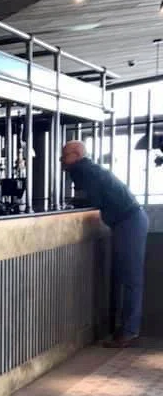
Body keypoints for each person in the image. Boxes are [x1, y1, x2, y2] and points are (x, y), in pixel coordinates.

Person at [61, 140, 148, 347]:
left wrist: (70, 203)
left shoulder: (83, 170)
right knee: (128, 276)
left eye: (64, 155)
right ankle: (127, 329)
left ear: (76, 154)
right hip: (130, 220)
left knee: (131, 278)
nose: (61, 160)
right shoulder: (88, 168)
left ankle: (129, 331)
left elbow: (94, 200)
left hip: (129, 221)